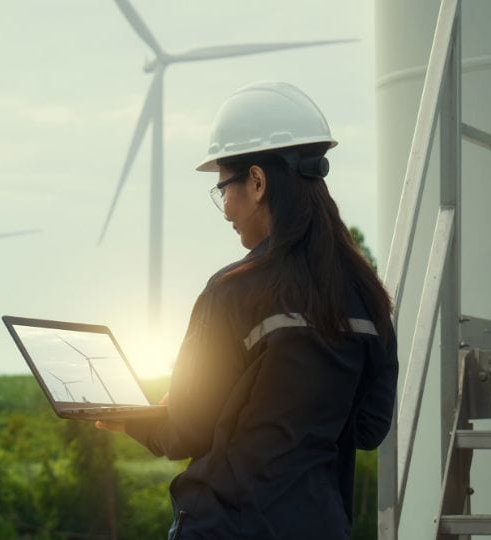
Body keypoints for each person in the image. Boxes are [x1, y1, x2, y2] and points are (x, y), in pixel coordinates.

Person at [96, 81, 398, 539]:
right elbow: (370, 427)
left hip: (227, 526)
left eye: (223, 189)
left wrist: (135, 419)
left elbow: (187, 432)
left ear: (257, 182)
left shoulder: (233, 291)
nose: (225, 210)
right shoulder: (364, 294)